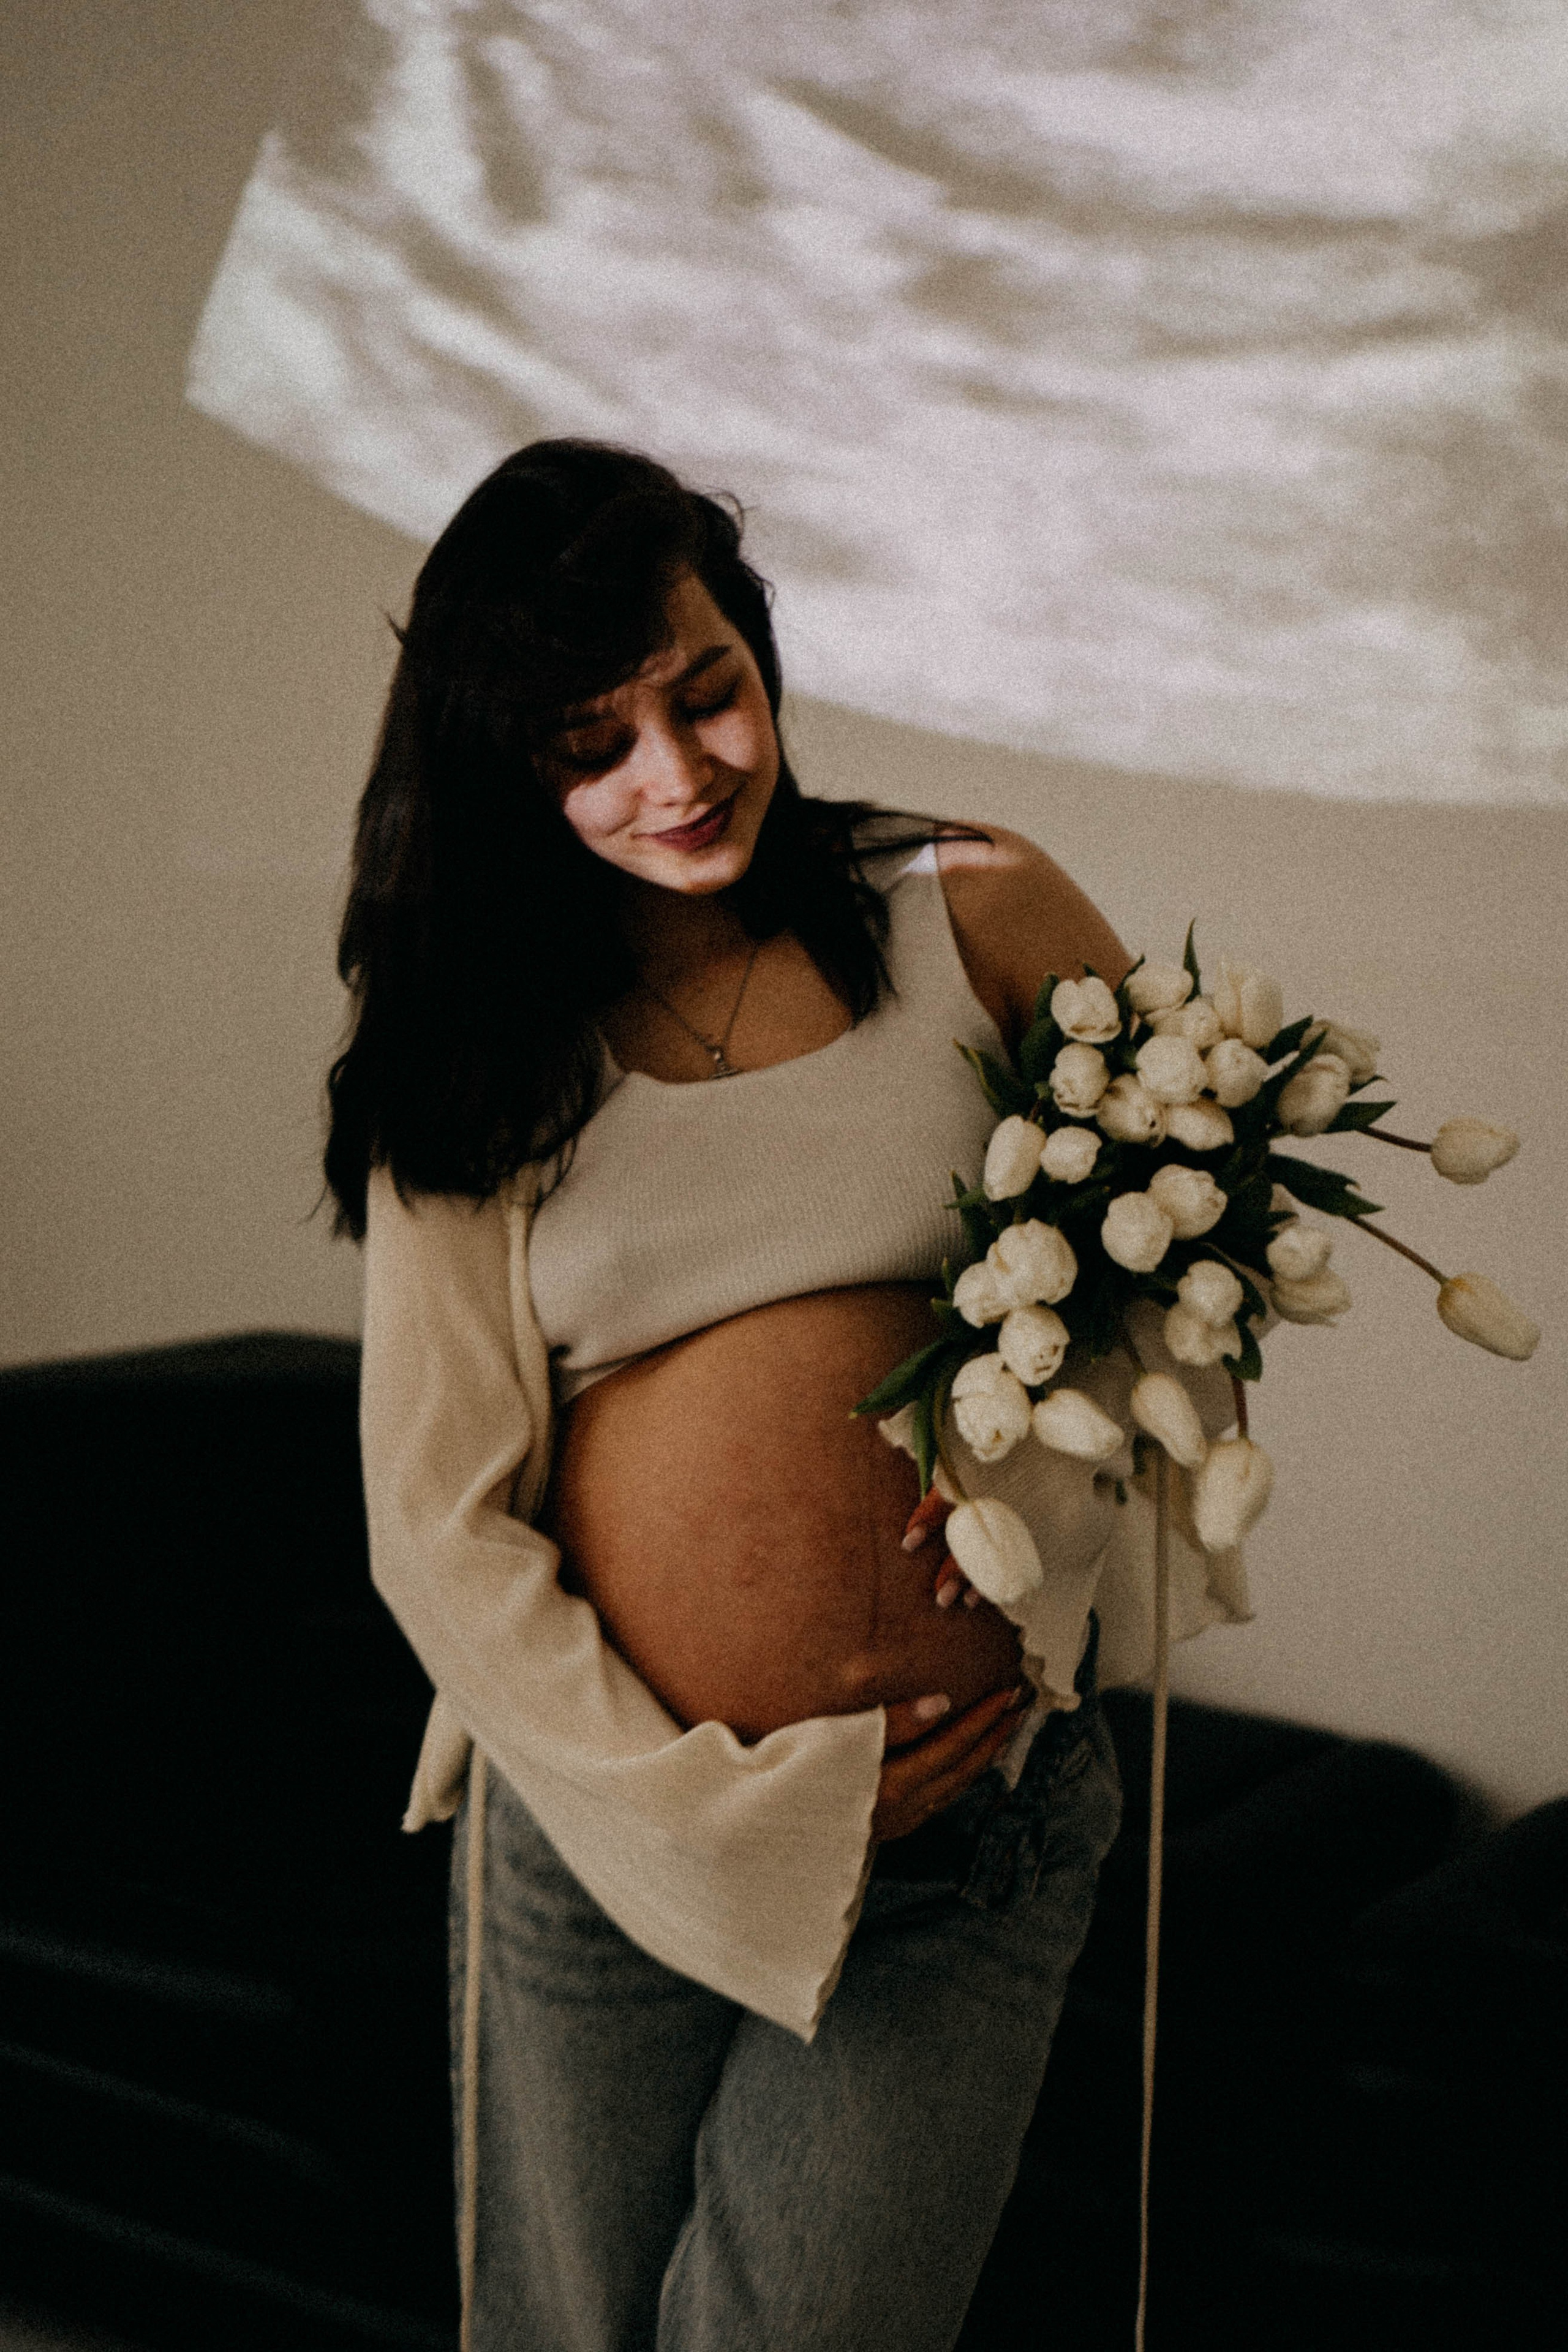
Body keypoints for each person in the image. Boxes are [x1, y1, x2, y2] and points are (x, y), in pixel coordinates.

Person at [325, 440, 1168, 2352]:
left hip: (964, 1820)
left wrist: (1035, 1527)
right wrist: (709, 1818)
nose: (679, 772)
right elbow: (432, 1524)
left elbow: (1180, 1282)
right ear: (505, 764)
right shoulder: (476, 1051)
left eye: (707, 693)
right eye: (591, 742)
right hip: (610, 1831)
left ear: (762, 654)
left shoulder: (970, 909)